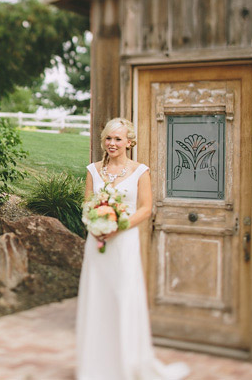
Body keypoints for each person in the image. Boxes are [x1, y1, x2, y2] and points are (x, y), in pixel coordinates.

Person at [75, 118, 189, 380]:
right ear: (103, 140)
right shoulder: (93, 170)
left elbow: (146, 208)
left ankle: (125, 367)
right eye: (108, 138)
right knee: (97, 297)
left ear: (129, 142)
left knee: (122, 297)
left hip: (123, 242)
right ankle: (95, 367)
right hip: (98, 242)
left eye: (118, 139)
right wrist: (94, 225)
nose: (112, 143)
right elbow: (88, 205)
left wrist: (119, 225)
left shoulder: (140, 171)